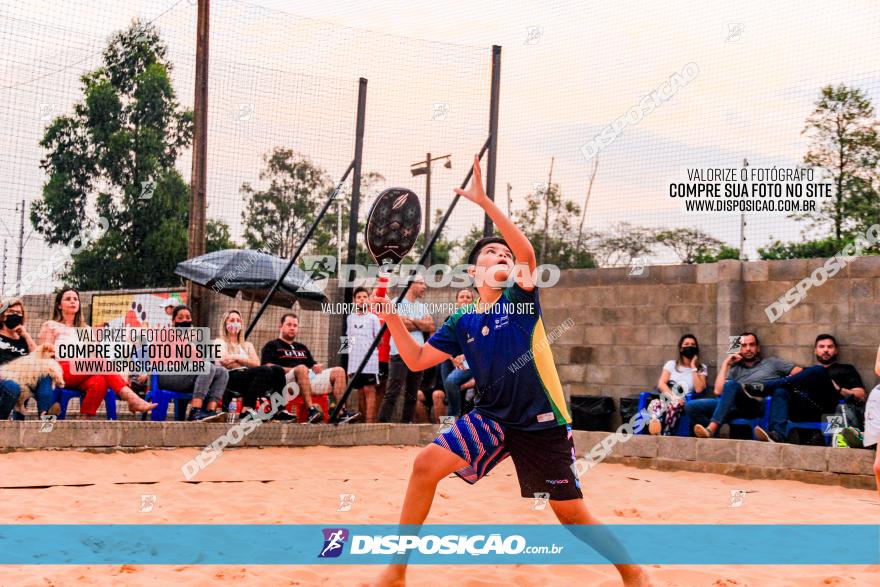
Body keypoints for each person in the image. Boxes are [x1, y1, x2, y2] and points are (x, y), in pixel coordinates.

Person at [368, 155, 649, 587]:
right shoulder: (462, 321)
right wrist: (390, 318)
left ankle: (633, 573)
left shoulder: (518, 299)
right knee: (425, 465)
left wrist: (485, 202)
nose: (501, 255)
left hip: (541, 422)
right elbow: (418, 361)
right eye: (490, 252)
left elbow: (527, 253)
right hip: (492, 416)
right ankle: (397, 571)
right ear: (473, 271)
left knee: (570, 513)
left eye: (504, 252)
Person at [38, 288, 156, 417]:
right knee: (99, 363)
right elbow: (44, 356)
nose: (73, 301)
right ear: (59, 305)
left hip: (81, 373)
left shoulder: (87, 330)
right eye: (68, 299)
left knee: (100, 380)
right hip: (60, 371)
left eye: (75, 299)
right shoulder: (51, 325)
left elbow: (97, 355)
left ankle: (85, 420)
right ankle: (132, 398)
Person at [684, 331, 801, 439]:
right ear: (739, 349)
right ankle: (714, 439)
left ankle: (711, 429)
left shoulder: (772, 363)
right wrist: (726, 364)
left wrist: (785, 384)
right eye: (744, 346)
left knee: (731, 385)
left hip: (756, 404)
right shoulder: (735, 368)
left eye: (752, 345)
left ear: (758, 348)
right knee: (691, 406)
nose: (748, 349)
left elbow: (800, 372)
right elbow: (718, 392)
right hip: (734, 405)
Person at [752, 334, 866, 443]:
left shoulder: (846, 369)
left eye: (830, 347)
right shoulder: (806, 372)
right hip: (806, 409)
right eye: (821, 347)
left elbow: (861, 395)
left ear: (836, 350)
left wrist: (839, 389)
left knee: (818, 370)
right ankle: (777, 435)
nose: (826, 350)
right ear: (815, 350)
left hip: (829, 408)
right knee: (781, 390)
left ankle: (764, 387)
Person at [260, 313, 357, 423]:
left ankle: (341, 412)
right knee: (301, 368)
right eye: (289, 325)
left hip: (307, 380)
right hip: (287, 383)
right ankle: (311, 411)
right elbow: (266, 367)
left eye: (295, 325)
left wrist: (316, 367)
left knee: (339, 371)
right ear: (281, 327)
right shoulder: (272, 345)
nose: (292, 328)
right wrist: (292, 370)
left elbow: (312, 365)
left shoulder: (302, 347)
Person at [150, 304, 229, 421]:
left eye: (188, 318)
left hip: (183, 376)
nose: (184, 320)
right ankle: (195, 411)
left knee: (222, 372)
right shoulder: (164, 333)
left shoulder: (187, 340)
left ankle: (210, 411)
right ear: (173, 321)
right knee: (206, 367)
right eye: (180, 318)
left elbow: (201, 362)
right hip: (164, 376)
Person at [213, 309, 293, 420]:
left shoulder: (247, 344)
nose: (235, 323)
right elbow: (225, 361)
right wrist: (246, 361)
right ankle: (247, 408)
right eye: (232, 320)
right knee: (265, 370)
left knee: (278, 370)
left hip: (248, 375)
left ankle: (279, 409)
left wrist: (235, 357)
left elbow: (256, 363)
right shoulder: (219, 342)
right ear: (225, 323)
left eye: (238, 320)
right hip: (230, 377)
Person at [377, 274, 435, 423]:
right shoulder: (397, 302)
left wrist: (410, 322)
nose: (425, 287)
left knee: (412, 394)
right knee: (392, 392)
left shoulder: (422, 306)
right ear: (411, 285)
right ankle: (382, 425)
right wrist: (419, 324)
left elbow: (430, 326)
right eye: (421, 283)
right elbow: (401, 326)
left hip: (418, 355)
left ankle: (406, 425)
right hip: (399, 354)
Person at [0, 298, 60, 419]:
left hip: (24, 377)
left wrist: (26, 336)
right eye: (11, 312)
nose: (15, 315)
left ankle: (45, 418)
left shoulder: (23, 339)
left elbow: (39, 357)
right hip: (4, 378)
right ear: (2, 316)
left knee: (45, 375)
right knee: (13, 387)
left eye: (19, 313)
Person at [646, 334, 708, 435]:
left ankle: (666, 433)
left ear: (696, 349)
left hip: (684, 402)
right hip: (669, 396)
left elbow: (699, 389)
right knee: (656, 403)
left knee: (673, 405)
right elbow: (661, 384)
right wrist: (673, 397)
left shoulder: (701, 368)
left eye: (692, 345)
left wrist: (693, 367)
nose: (690, 347)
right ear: (681, 349)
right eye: (686, 344)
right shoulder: (671, 364)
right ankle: (655, 427)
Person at [435, 288, 475, 421]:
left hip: (470, 359)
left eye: (468, 297)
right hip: (452, 359)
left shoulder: (478, 319)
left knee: (451, 382)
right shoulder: (450, 319)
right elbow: (444, 343)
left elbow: (478, 344)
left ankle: (453, 418)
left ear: (473, 301)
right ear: (457, 301)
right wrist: (452, 358)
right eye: (462, 297)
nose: (465, 299)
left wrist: (463, 356)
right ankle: (453, 420)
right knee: (449, 383)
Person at [346, 287, 382, 423]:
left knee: (369, 390)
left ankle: (369, 423)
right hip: (355, 363)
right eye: (358, 297)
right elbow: (347, 340)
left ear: (368, 299)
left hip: (370, 362)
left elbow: (379, 340)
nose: (361, 299)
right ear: (355, 301)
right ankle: (362, 423)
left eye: (364, 297)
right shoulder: (350, 318)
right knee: (360, 392)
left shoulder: (373, 318)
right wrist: (349, 366)